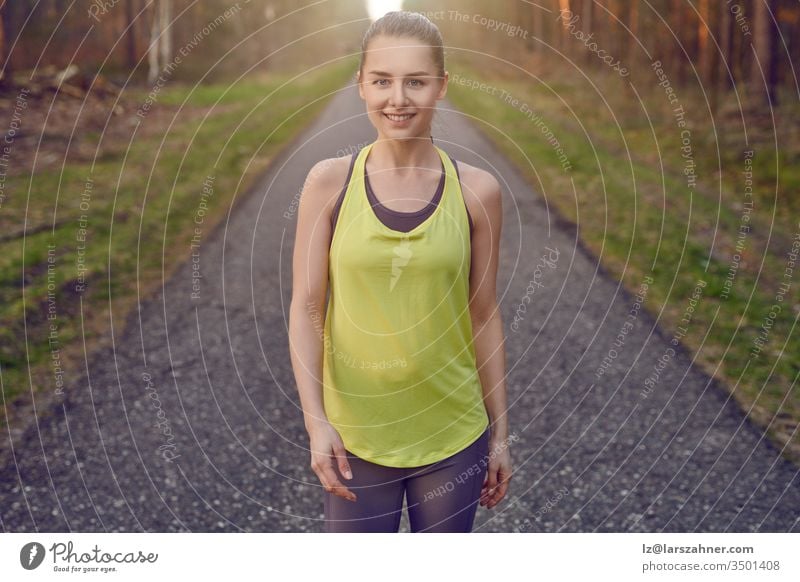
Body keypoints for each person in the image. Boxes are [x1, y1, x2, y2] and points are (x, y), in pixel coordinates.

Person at [289, 10, 511, 533]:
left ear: (442, 86)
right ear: (361, 85)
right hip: (357, 435)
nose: (398, 98)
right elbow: (306, 306)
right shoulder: (328, 184)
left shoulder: (479, 192)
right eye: (382, 81)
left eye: (416, 81)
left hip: (454, 433)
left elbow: (483, 314)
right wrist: (316, 421)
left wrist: (500, 435)